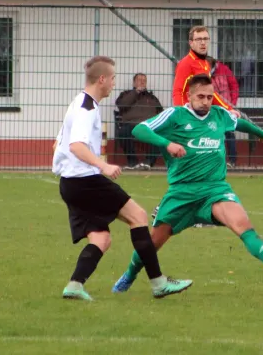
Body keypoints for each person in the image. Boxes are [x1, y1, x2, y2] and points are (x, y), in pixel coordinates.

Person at [111, 74, 263, 293]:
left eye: (210, 97)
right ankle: (128, 276)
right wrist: (167, 143)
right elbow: (139, 129)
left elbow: (240, 123)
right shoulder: (175, 115)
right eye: (201, 96)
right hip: (182, 192)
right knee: (153, 243)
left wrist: (262, 134)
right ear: (188, 96)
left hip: (215, 190)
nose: (206, 101)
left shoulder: (219, 115)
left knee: (244, 226)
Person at [52, 56, 192, 300]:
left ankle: (74, 286)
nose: (114, 84)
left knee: (101, 238)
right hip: (86, 182)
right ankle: (158, 283)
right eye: (113, 78)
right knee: (138, 216)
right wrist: (102, 165)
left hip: (70, 184)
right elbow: (75, 145)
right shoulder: (87, 108)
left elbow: (59, 143)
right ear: (102, 79)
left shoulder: (78, 102)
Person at [172, 25, 239, 117]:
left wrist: (228, 109)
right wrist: (182, 116)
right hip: (190, 115)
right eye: (199, 39)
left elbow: (211, 92)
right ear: (191, 43)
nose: (203, 43)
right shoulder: (186, 63)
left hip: (203, 113)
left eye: (205, 39)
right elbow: (178, 91)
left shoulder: (205, 64)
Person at [115, 73, 163, 170]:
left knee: (161, 132)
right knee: (123, 132)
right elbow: (121, 105)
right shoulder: (126, 94)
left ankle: (148, 162)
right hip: (131, 124)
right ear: (134, 83)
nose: (142, 82)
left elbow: (160, 112)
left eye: (144, 80)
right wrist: (136, 92)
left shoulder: (151, 97)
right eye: (139, 80)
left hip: (149, 125)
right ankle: (133, 162)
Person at [207, 56, 240, 168]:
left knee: (229, 133)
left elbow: (233, 85)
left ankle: (232, 160)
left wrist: (232, 104)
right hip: (211, 109)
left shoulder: (224, 69)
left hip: (226, 108)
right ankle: (214, 161)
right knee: (212, 133)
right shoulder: (203, 73)